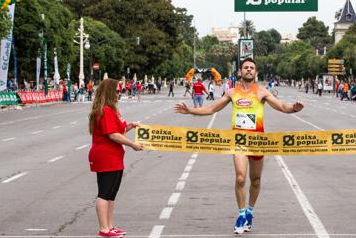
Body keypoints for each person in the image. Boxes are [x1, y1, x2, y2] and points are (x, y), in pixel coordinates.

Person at [174, 58, 304, 234]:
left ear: (255, 73)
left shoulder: (262, 92)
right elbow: (212, 108)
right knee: (241, 178)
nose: (249, 70)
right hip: (239, 142)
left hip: (258, 142)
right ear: (240, 72)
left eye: (252, 68)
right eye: (246, 68)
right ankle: (241, 214)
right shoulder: (232, 93)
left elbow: (281, 106)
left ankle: (250, 211)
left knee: (256, 180)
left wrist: (293, 108)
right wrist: (190, 110)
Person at [88, 78, 143, 237]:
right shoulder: (105, 110)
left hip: (115, 155)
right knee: (104, 192)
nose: (121, 93)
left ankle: (110, 226)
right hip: (106, 155)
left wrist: (130, 126)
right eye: (118, 91)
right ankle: (104, 228)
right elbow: (112, 134)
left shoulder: (112, 110)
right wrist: (132, 144)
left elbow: (118, 129)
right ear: (110, 92)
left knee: (112, 194)